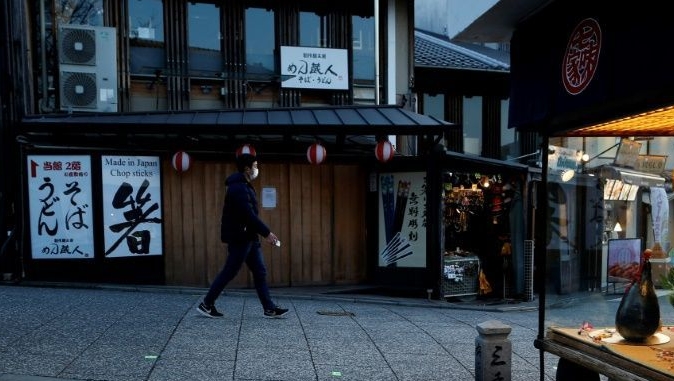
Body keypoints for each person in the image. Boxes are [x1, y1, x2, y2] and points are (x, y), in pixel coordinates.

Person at [197, 153, 289, 319]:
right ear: (247, 168)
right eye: (255, 166)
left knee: (260, 271)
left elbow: (250, 215)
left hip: (249, 236)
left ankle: (269, 308)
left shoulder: (244, 185)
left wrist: (261, 232)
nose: (256, 169)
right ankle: (207, 304)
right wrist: (267, 233)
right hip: (240, 237)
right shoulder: (238, 187)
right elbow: (247, 214)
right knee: (229, 272)